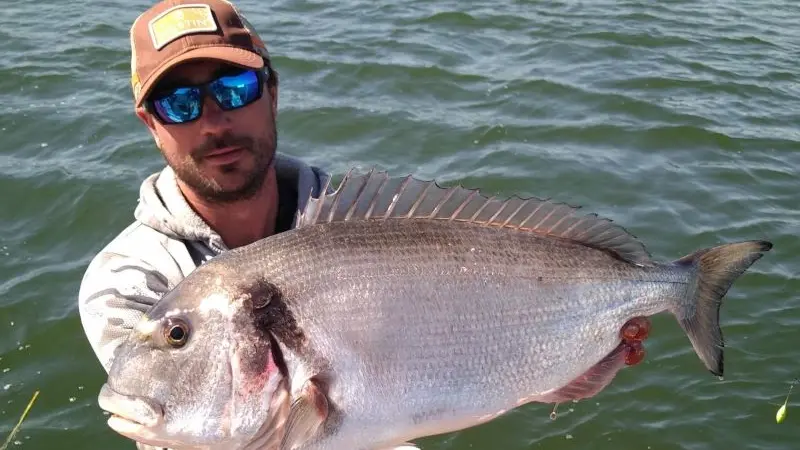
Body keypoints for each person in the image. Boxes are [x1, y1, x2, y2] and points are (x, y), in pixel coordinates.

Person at [77, 1, 329, 447]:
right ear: (151, 124)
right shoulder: (129, 280)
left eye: (235, 87)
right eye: (179, 104)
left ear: (271, 92)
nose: (213, 122)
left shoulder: (357, 219)